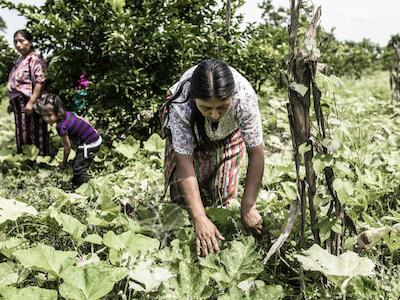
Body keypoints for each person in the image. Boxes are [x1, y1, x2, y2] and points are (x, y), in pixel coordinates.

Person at [161, 59, 264, 256]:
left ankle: (218, 236)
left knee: (221, 195)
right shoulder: (181, 102)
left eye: (222, 107)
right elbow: (184, 162)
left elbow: (256, 153)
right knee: (184, 204)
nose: (215, 115)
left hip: (228, 134)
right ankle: (191, 241)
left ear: (231, 98)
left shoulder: (244, 97)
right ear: (195, 99)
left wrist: (248, 206)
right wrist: (199, 217)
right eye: (207, 108)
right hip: (193, 135)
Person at [34, 94, 102, 186]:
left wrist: (64, 162)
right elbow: (81, 118)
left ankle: (92, 187)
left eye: (49, 115)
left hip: (90, 143)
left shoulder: (61, 126)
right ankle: (75, 184)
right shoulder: (67, 114)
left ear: (57, 111)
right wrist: (93, 130)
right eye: (43, 115)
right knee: (77, 164)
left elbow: (67, 147)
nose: (46, 118)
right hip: (92, 139)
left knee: (79, 169)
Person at [7, 29, 49, 156]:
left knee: (35, 131)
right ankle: (26, 160)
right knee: (22, 132)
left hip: (30, 102)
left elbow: (40, 82)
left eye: (21, 41)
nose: (18, 45)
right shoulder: (20, 60)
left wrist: (31, 101)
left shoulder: (35, 60)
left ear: (30, 42)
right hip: (18, 104)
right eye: (15, 42)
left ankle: (40, 160)